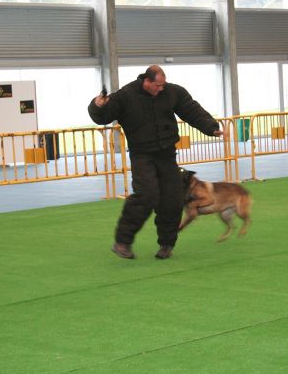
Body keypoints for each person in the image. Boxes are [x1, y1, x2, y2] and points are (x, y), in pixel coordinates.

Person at [88, 65, 224, 260]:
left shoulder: (173, 92)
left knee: (173, 198)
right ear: (147, 81)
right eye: (158, 85)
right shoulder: (126, 95)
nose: (161, 89)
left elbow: (192, 110)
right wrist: (97, 105)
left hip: (167, 154)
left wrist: (211, 128)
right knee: (147, 195)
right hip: (142, 155)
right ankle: (122, 242)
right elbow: (102, 116)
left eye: (163, 85)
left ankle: (166, 244)